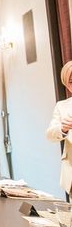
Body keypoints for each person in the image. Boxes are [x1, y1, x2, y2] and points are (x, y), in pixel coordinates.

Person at [46, 61, 72, 201]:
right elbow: (50, 134)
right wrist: (62, 128)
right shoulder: (62, 107)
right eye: (71, 81)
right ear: (66, 85)